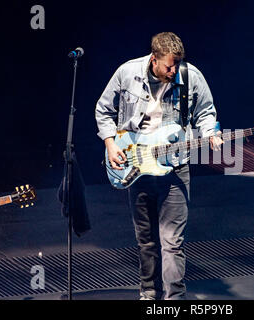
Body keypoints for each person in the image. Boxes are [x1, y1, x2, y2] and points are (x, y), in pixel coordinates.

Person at [95, 32, 223, 300]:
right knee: (146, 240)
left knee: (172, 243)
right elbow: (103, 109)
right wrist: (110, 143)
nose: (174, 70)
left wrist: (211, 133)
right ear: (154, 60)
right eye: (169, 65)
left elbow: (206, 111)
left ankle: (174, 300)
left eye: (177, 63)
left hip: (174, 168)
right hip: (137, 166)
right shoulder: (127, 72)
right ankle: (149, 294)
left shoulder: (191, 76)